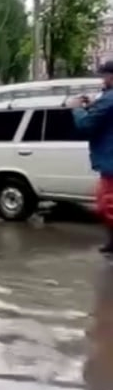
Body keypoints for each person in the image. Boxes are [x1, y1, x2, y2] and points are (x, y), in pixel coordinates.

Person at [70, 60, 113, 253]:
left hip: (110, 162)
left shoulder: (109, 99)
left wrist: (76, 108)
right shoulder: (106, 99)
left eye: (104, 76)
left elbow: (85, 126)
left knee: (106, 206)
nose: (102, 80)